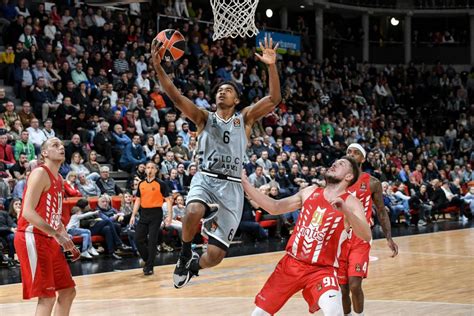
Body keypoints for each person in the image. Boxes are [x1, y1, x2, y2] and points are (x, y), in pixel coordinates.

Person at [152, 35, 281, 288]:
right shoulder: (203, 118)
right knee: (193, 210)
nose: (223, 92)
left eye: (228, 90)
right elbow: (177, 98)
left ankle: (194, 265)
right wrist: (158, 67)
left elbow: (274, 99)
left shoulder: (245, 119)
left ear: (237, 100)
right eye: (220, 90)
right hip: (207, 177)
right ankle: (185, 252)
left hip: (232, 188)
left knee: (215, 256)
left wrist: (271, 66)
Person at [242, 157, 371, 315]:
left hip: (322, 270)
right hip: (291, 264)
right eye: (335, 162)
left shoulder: (351, 202)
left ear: (349, 177)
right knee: (258, 314)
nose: (334, 163)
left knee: (335, 312)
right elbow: (275, 207)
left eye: (341, 164)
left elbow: (365, 234)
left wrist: (345, 210)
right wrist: (246, 184)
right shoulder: (309, 192)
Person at [13, 137, 78, 315]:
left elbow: (55, 217)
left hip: (49, 239)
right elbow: (27, 211)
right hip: (31, 237)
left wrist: (66, 239)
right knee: (47, 297)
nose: (61, 148)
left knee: (67, 291)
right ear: (44, 153)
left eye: (62, 145)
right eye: (55, 145)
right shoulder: (40, 173)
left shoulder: (59, 179)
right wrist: (56, 235)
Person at [339, 143, 399, 316]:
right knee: (342, 288)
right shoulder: (336, 180)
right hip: (340, 238)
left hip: (360, 236)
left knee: (354, 284)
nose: (351, 154)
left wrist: (389, 238)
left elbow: (381, 211)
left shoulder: (372, 182)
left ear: (363, 159)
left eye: (356, 153)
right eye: (349, 151)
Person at [130, 161, 172, 276]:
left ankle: (149, 267)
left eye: (152, 168)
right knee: (138, 239)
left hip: (156, 214)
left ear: (156, 170)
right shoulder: (141, 184)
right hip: (144, 213)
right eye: (147, 168)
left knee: (152, 241)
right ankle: (148, 259)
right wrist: (133, 215)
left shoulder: (161, 184)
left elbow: (168, 200)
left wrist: (169, 216)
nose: (149, 170)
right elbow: (138, 200)